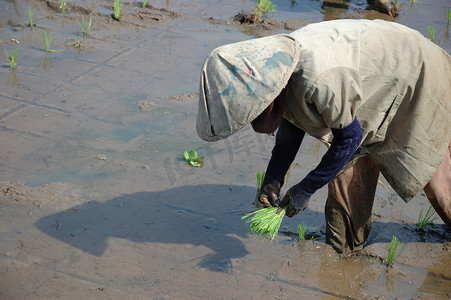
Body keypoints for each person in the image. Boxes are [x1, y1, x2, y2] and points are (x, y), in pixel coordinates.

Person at [196, 19, 451, 254]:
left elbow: (349, 138)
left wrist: (306, 188)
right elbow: (293, 122)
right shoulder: (276, 72)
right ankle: (346, 252)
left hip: (413, 74)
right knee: (343, 188)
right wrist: (273, 179)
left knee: (436, 181)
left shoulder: (318, 79)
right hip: (360, 96)